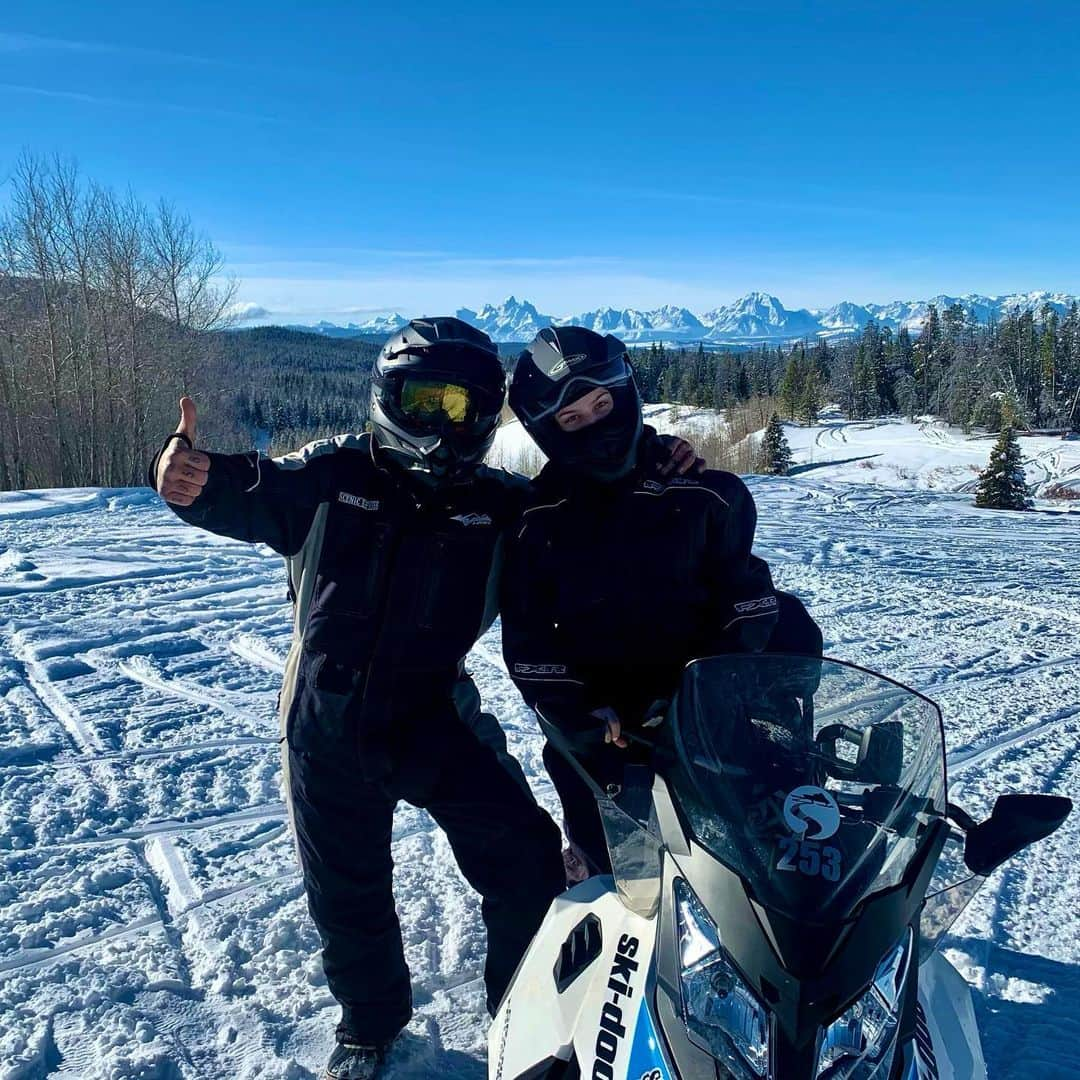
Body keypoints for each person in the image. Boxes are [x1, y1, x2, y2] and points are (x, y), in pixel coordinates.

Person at [150, 316, 700, 1080]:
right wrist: (187, 480)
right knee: (348, 892)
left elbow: (579, 499)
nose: (447, 424)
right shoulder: (333, 474)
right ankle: (369, 1028)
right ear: (386, 398)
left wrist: (656, 458)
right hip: (323, 722)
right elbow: (250, 489)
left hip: (436, 716)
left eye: (469, 408)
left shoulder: (501, 505)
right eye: (427, 403)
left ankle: (524, 1018)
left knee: (528, 861)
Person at [500, 325, 822, 877]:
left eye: (602, 403)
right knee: (615, 887)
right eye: (571, 419)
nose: (596, 425)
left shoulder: (707, 494)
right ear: (546, 432)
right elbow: (528, 641)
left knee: (787, 864)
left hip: (711, 712)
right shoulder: (535, 521)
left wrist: (721, 689)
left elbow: (748, 600)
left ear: (626, 392)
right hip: (606, 734)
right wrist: (577, 714)